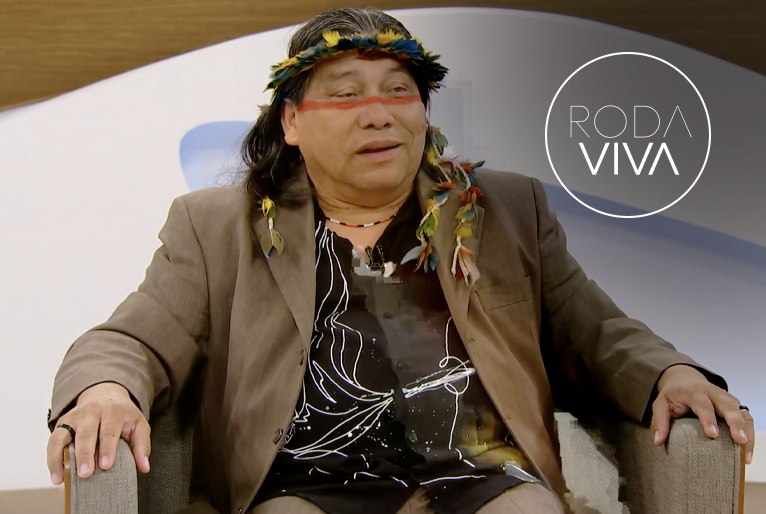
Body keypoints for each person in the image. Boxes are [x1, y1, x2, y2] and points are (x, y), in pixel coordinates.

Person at [46, 7, 754, 514]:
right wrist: (104, 390)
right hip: (305, 482)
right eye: (345, 94)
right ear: (291, 122)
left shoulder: (506, 209)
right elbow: (134, 337)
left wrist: (671, 373)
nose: (378, 113)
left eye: (397, 90)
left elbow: (596, 330)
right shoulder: (218, 226)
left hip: (483, 476)